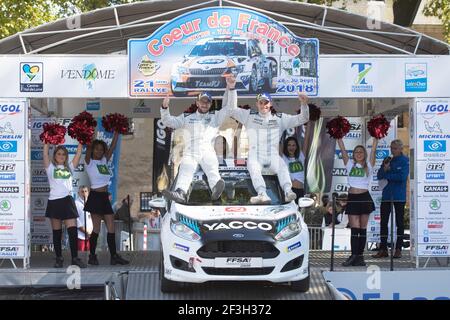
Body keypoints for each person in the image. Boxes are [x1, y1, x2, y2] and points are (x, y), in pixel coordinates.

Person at [161, 75, 237, 203]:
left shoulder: (215, 116)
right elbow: (168, 121)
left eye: (207, 102)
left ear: (211, 103)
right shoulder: (187, 117)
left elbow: (230, 108)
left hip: (207, 149)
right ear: (197, 103)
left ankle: (215, 189)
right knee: (186, 167)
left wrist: (231, 89)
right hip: (191, 150)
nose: (205, 104)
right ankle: (181, 193)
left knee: (212, 166)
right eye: (202, 101)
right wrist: (164, 108)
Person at [230, 92, 310, 204]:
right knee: (253, 167)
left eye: (266, 102)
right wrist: (232, 89)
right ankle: (262, 193)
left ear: (271, 103)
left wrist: (304, 104)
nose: (263, 105)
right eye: (261, 103)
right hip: (255, 153)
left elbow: (303, 119)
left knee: (282, 166)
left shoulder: (280, 118)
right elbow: (232, 110)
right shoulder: (249, 115)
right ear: (257, 104)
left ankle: (288, 191)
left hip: (272, 153)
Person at [84, 132, 129, 265]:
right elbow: (89, 146)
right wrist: (91, 132)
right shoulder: (89, 162)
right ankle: (92, 255)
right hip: (95, 197)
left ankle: (114, 256)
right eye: (96, 149)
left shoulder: (104, 160)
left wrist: (116, 132)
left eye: (101, 149)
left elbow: (113, 147)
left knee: (111, 227)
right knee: (96, 229)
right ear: (93, 150)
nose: (99, 151)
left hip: (104, 197)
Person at [43, 143, 86, 268]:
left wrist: (81, 141)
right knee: (57, 233)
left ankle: (75, 258)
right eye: (59, 154)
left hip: (67, 201)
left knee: (72, 231)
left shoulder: (70, 168)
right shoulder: (50, 167)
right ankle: (59, 258)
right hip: (54, 201)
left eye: (63, 154)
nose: (61, 156)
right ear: (55, 156)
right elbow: (45, 154)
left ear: (66, 156)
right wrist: (46, 141)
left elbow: (78, 154)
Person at [337, 137, 378, 266]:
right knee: (354, 229)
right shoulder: (350, 164)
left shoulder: (369, 165)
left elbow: (374, 151)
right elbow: (343, 150)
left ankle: (360, 257)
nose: (359, 154)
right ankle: (353, 255)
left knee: (362, 228)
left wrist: (376, 139)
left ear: (364, 154)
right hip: (353, 199)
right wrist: (339, 139)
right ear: (353, 155)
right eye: (356, 152)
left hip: (365, 198)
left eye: (361, 152)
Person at [373, 139, 409, 259]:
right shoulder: (388, 159)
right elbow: (379, 175)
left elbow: (402, 177)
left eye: (394, 148)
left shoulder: (405, 161)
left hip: (399, 196)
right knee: (383, 222)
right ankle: (383, 248)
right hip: (387, 195)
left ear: (400, 149)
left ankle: (398, 248)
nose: (392, 150)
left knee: (399, 223)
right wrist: (385, 168)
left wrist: (387, 174)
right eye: (391, 147)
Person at [282, 127, 312, 202]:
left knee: (299, 211)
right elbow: (277, 142)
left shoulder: (301, 156)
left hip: (301, 190)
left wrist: (309, 123)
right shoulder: (283, 158)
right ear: (286, 146)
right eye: (289, 145)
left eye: (293, 145)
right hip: (290, 191)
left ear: (296, 147)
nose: (291, 147)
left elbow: (306, 139)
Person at [75, 186, 93, 252]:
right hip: (80, 236)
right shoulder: (76, 204)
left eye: (86, 191)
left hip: (90, 235)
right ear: (78, 193)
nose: (84, 193)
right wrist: (86, 232)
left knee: (89, 254)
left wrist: (91, 232)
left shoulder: (91, 203)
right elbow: (76, 220)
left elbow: (92, 218)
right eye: (82, 192)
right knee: (81, 255)